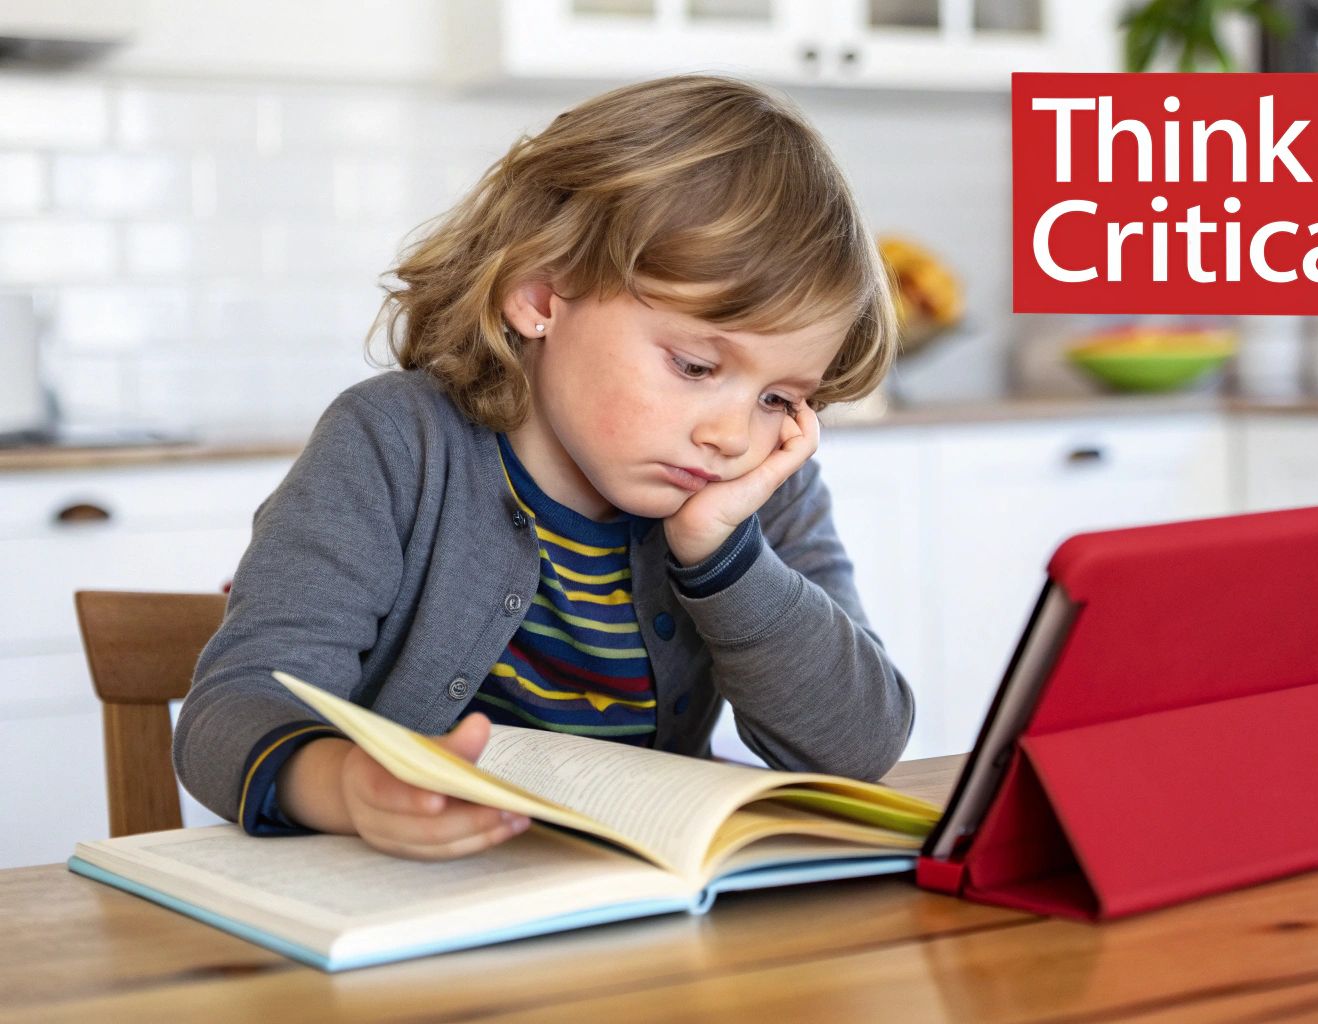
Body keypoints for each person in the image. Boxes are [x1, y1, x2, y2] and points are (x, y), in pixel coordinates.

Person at [173, 75, 913, 861]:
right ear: (540, 298)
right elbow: (232, 711)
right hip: (410, 909)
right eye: (696, 366)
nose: (733, 434)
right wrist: (352, 787)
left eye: (778, 397)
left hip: (638, 915)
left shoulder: (757, 490)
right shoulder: (394, 445)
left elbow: (859, 747)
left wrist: (725, 559)